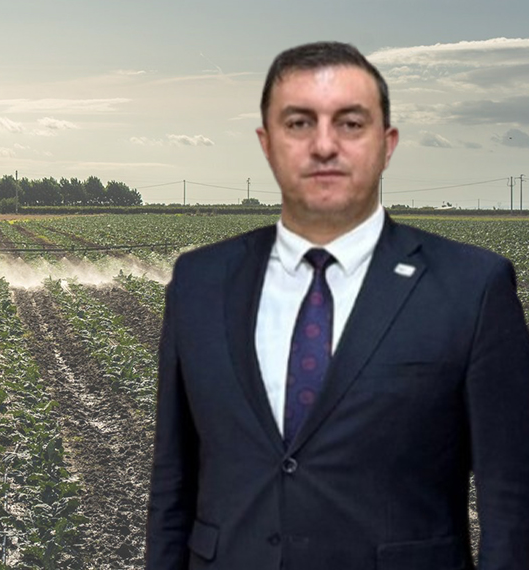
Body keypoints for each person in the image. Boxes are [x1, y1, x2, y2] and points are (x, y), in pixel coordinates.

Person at [146, 41, 529, 570]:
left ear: (387, 144)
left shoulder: (472, 286)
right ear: (266, 143)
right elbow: (173, 485)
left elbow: (511, 500)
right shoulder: (199, 281)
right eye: (299, 123)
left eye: (350, 124)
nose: (324, 146)